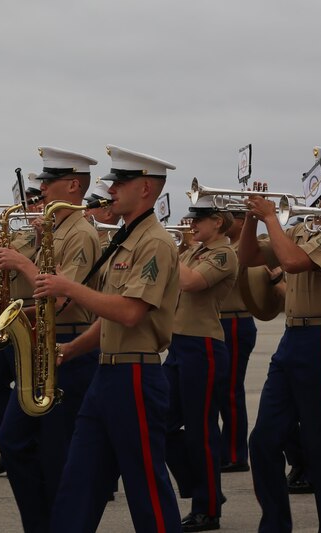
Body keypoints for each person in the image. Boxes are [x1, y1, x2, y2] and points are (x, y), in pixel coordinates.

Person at [35, 145, 182, 533]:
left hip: (136, 376)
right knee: (79, 482)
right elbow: (109, 318)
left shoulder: (155, 242)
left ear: (147, 188)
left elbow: (130, 312)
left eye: (122, 181)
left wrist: (67, 286)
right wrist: (71, 348)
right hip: (108, 374)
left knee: (145, 487)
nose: (111, 189)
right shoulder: (125, 238)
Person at [238, 146, 321, 533]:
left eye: (318, 179)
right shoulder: (301, 225)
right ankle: (275, 525)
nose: (309, 184)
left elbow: (292, 262)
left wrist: (272, 218)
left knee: (320, 443)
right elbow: (248, 257)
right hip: (294, 338)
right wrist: (250, 218)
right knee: (262, 442)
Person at [0, 146, 101, 533]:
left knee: (57, 454)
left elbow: (63, 298)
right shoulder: (54, 232)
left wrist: (21, 262)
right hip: (43, 345)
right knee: (14, 441)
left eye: (48, 182)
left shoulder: (82, 234)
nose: (42, 189)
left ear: (73, 185)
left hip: (69, 348)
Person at [166, 196, 237, 531]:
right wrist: (178, 247)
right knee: (161, 422)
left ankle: (207, 509)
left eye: (199, 219)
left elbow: (191, 282)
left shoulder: (224, 253)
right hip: (179, 344)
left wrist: (167, 247)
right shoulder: (194, 250)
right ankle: (205, 490)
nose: (191, 224)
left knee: (201, 431)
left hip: (203, 346)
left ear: (218, 222)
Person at [0, 181, 43, 479]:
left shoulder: (40, 234)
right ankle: (8, 443)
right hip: (9, 312)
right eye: (28, 199)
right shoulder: (25, 230)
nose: (30, 205)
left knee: (28, 385)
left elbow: (3, 248)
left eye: (35, 199)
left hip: (29, 313)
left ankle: (26, 444)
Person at [217, 208, 255, 474]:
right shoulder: (225, 246)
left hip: (236, 320)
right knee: (221, 390)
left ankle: (235, 452)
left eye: (231, 215)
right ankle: (226, 448)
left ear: (242, 221)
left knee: (231, 389)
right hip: (220, 320)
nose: (224, 219)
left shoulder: (245, 248)